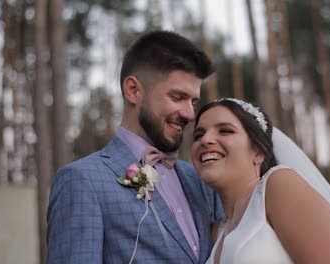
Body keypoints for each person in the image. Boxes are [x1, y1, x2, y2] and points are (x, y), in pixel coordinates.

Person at [47, 30, 224, 264]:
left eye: (193, 101)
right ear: (133, 90)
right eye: (177, 97)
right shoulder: (82, 181)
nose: (190, 114)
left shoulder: (199, 178)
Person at [191, 98, 330, 264]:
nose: (205, 140)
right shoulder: (216, 231)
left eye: (225, 130)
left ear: (259, 152)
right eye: (198, 134)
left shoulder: (278, 187)